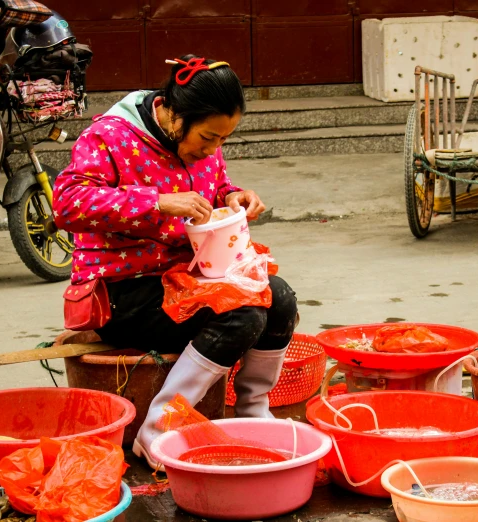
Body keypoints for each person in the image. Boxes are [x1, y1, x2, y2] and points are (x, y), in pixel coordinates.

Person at [53, 55, 298, 468]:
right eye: (208, 137)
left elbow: (215, 187)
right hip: (122, 291)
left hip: (186, 280)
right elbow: (68, 203)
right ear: (172, 111)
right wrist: (157, 202)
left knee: (279, 298)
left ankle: (253, 410)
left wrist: (231, 196)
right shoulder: (109, 136)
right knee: (241, 316)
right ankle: (157, 432)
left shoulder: (200, 146)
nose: (213, 148)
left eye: (223, 140)